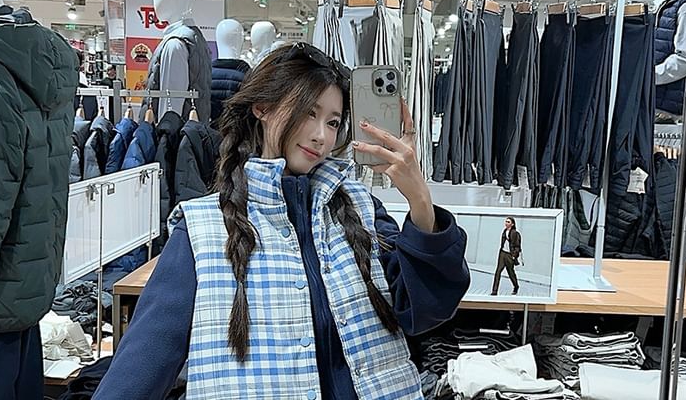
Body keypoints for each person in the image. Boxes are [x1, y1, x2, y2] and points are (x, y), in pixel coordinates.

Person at [93, 42, 470, 400]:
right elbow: (141, 368)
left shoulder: (359, 209)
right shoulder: (203, 231)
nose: (321, 136)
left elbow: (427, 311)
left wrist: (419, 199)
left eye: (333, 122)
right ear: (263, 107)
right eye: (309, 113)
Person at [491, 217, 522, 296]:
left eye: (508, 222)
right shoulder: (504, 231)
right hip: (502, 253)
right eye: (506, 221)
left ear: (512, 224)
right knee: (498, 272)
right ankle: (494, 291)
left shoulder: (515, 233)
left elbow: (517, 246)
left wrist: (514, 256)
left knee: (510, 272)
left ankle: (516, 286)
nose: (506, 223)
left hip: (509, 255)